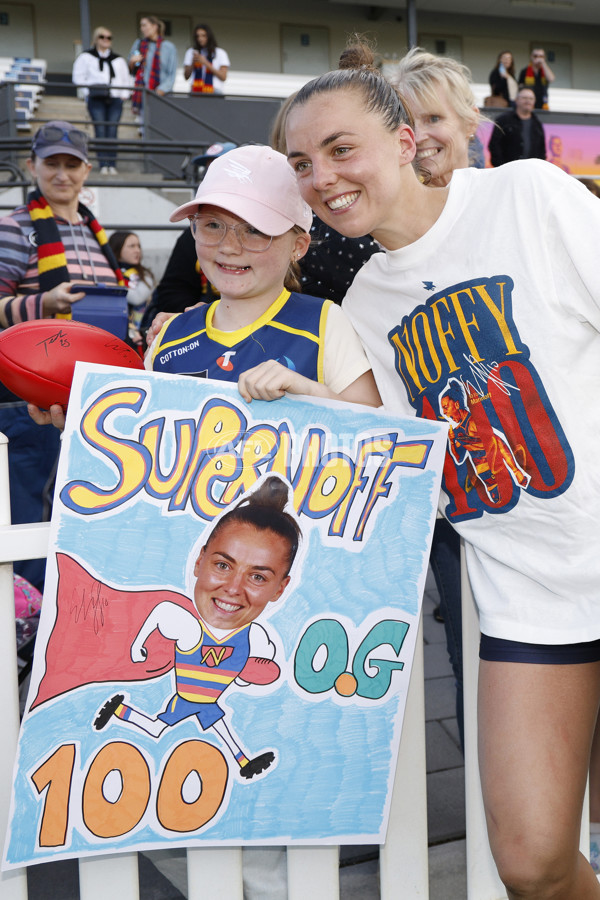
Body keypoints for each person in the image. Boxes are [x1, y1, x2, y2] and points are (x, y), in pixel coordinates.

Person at [285, 43, 600, 900]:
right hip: (527, 593)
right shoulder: (367, 304)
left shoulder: (526, 197)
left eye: (340, 149)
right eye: (302, 163)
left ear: (401, 140)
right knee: (534, 861)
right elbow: (391, 450)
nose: (321, 177)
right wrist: (290, 402)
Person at [390, 45, 484, 748]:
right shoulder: (377, 240)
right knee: (473, 657)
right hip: (451, 492)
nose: (421, 134)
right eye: (407, 119)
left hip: (553, 486)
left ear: (470, 123)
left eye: (435, 117)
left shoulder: (516, 205)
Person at [148, 143, 381, 412]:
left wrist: (309, 391)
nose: (229, 246)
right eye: (212, 225)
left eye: (255, 230)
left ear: (298, 247)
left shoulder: (325, 323)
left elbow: (377, 428)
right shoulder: (168, 337)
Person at [95, 475, 299, 779]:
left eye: (257, 577)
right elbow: (161, 612)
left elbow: (246, 675)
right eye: (223, 565)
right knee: (155, 729)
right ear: (199, 561)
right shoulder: (189, 630)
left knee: (219, 727)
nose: (233, 588)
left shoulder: (255, 639)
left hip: (208, 701)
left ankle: (244, 763)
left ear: (280, 590)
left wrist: (248, 675)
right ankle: (119, 711)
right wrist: (138, 645)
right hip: (188, 699)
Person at [0, 122, 125, 589]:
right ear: (33, 166)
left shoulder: (95, 232)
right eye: (51, 162)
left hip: (92, 395)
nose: (62, 173)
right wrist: (43, 306)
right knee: (33, 513)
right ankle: (27, 626)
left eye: (71, 164)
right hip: (30, 402)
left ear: (87, 170)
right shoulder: (14, 228)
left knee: (76, 511)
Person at [72, 26, 131, 174]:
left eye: (109, 38)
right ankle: (103, 164)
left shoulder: (118, 59)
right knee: (100, 130)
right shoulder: (86, 57)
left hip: (115, 98)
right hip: (96, 98)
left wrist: (124, 94)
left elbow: (126, 79)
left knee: (112, 130)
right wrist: (88, 92)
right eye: (102, 37)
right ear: (96, 39)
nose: (106, 40)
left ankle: (112, 164)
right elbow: (78, 77)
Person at [107, 230, 155, 341]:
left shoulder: (145, 275)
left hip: (137, 334)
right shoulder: (108, 272)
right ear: (117, 248)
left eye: (138, 246)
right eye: (132, 246)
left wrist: (112, 287)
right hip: (112, 328)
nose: (137, 250)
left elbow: (137, 298)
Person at [129, 15, 177, 119]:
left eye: (145, 25)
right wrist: (132, 62)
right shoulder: (139, 44)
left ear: (155, 26)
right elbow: (131, 70)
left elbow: (171, 74)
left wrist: (160, 90)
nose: (142, 29)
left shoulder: (168, 47)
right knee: (145, 128)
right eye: (141, 26)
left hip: (163, 94)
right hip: (143, 94)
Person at [488, 86, 546, 167]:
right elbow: (494, 145)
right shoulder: (503, 120)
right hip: (507, 171)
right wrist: (501, 166)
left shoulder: (537, 124)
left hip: (531, 172)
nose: (528, 101)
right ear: (516, 100)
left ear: (534, 101)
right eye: (524, 98)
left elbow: (542, 151)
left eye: (531, 98)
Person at [183, 23, 229, 94]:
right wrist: (193, 62)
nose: (200, 39)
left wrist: (205, 63)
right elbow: (186, 76)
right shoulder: (191, 52)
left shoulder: (220, 52)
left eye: (203, 36)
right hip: (195, 90)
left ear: (209, 36)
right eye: (197, 36)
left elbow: (223, 77)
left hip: (215, 90)